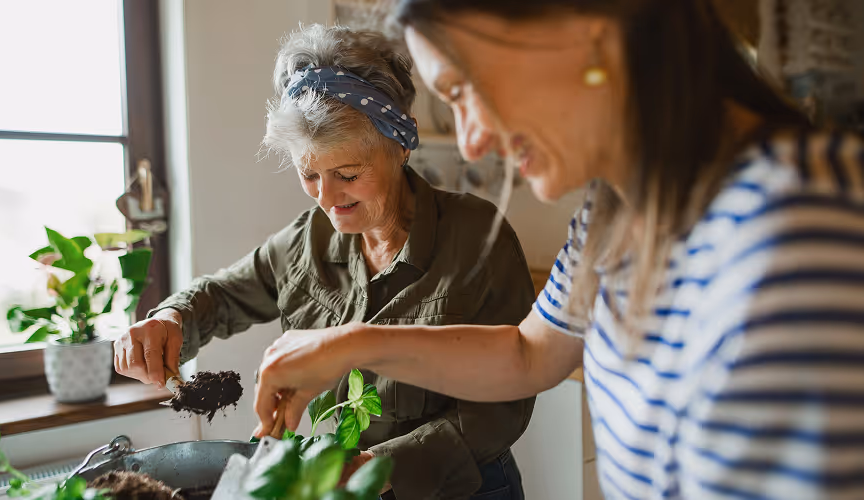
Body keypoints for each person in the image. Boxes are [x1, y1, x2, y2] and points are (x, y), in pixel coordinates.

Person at [253, 1, 864, 499]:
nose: (471, 143)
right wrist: (351, 347)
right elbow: (528, 353)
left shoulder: (796, 235)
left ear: (586, 34)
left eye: (464, 89)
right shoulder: (613, 213)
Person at [113, 24, 536, 500]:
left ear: (399, 146)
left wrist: (380, 466)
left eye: (348, 174)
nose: (328, 198)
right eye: (309, 174)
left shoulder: (478, 237)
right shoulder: (303, 242)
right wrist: (169, 318)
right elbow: (222, 295)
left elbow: (504, 404)